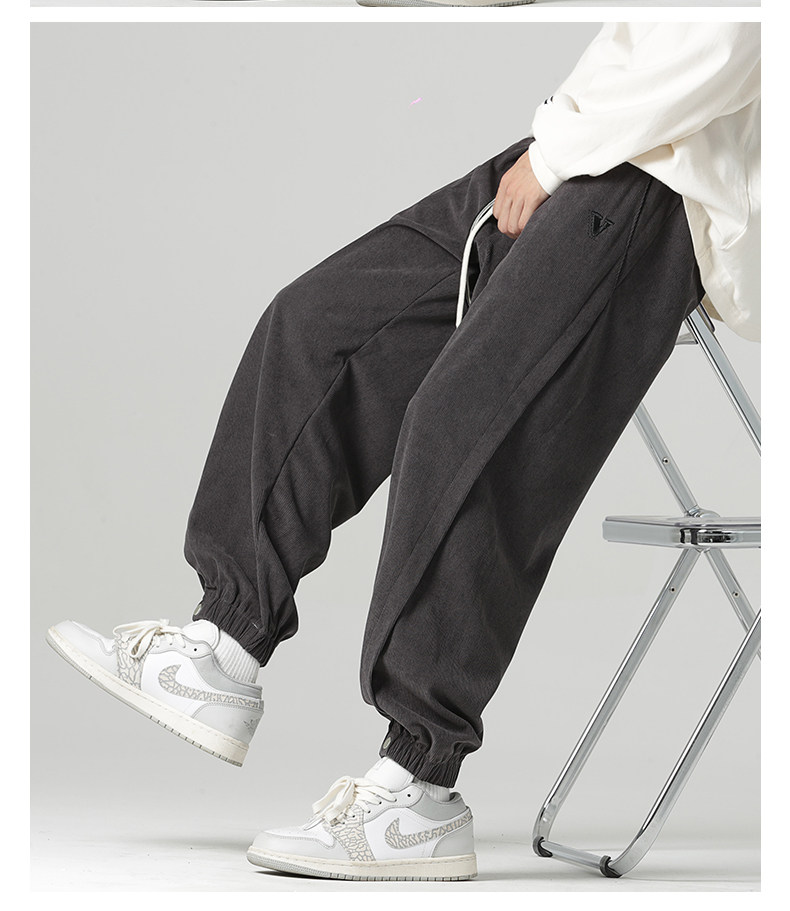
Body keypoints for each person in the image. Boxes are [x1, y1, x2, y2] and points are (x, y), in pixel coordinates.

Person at [46, 22, 760, 882]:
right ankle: (223, 644)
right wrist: (558, 146)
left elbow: (727, 36)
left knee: (460, 426)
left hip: (667, 186)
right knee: (317, 326)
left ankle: (420, 789)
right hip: (590, 137)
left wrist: (557, 156)